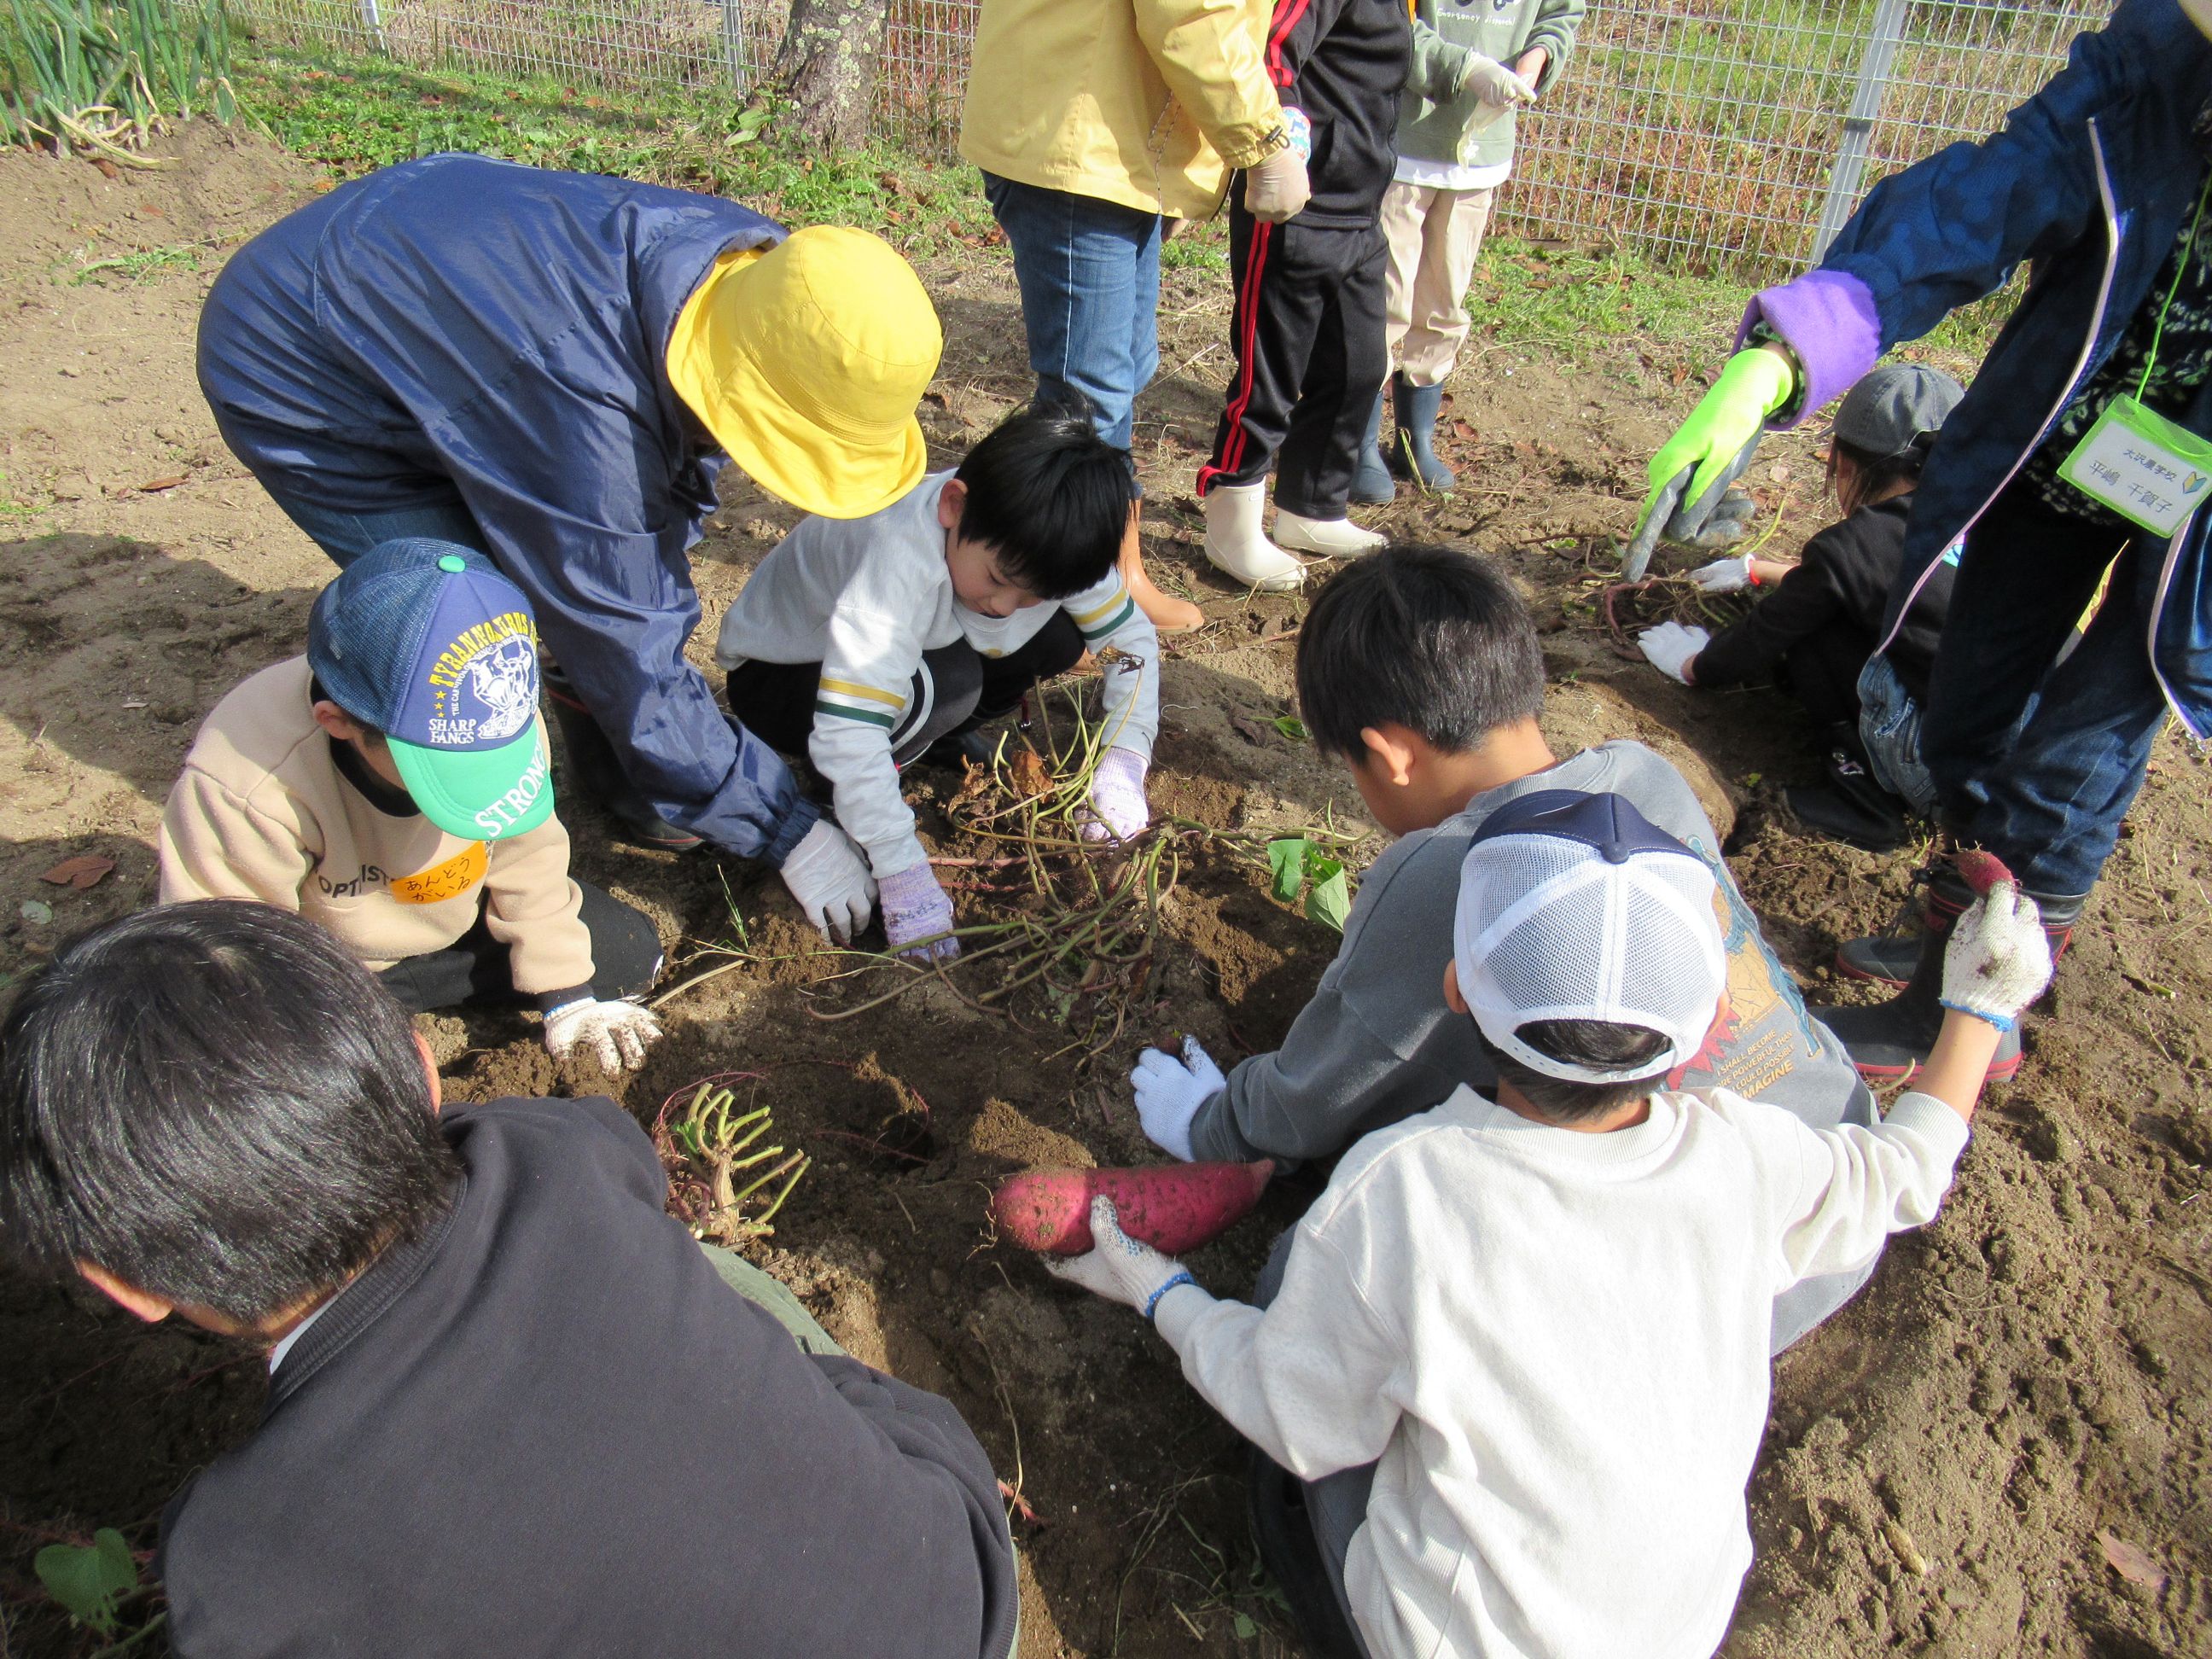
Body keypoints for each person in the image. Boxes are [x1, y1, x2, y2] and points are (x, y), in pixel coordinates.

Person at [1049, 789, 2053, 1659]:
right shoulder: (1748, 1157)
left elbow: (1301, 1422)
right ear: (1703, 1032)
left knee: (1293, 1468)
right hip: (1679, 1629)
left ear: (1453, 990)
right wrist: (1977, 1007)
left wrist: (1166, 1294)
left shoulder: (1399, 1189)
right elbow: (1906, 1172)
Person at [0, 901, 1021, 1659]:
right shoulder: (551, 1155)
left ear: (122, 1284)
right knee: (705, 1276)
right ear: (422, 1067)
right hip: (960, 1597)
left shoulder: (241, 1563)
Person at [1622, 0, 2212, 1082]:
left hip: (2201, 528)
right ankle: (1967, 924)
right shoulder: (2160, 62)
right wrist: (1799, 344)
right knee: (1969, 717)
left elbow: (1800, 607)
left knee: (2079, 748)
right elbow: (1983, 198)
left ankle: (1958, 1025)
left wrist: (1707, 660)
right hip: (2063, 438)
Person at [1131, 544, 1883, 1350]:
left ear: (1387, 754)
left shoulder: (1441, 872)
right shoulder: (1645, 776)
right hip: (1836, 1179)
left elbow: (1332, 1081)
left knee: (1302, 1275)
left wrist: (1217, 1127)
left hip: (1682, 1307)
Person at [197, 152, 938, 946]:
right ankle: (428, 853)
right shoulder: (588, 424)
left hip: (422, 269)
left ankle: (615, 735)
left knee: (587, 605)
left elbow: (657, 502)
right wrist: (787, 829)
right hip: (298, 357)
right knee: (463, 623)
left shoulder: (754, 276)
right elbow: (620, 610)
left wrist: (625, 621)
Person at [160, 538, 664, 1074]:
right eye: (441, 766)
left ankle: (395, 1000)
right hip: (329, 961)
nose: (476, 771)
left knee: (626, 954)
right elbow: (232, 951)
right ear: (339, 723)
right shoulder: (248, 783)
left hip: (455, 921)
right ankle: (369, 1009)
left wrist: (567, 995)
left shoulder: (493, 713)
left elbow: (528, 852)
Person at [718, 408, 1161, 960]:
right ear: (954, 506)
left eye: (1030, 594)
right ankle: (847, 796)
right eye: (999, 581)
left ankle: (929, 736)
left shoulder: (1050, 540)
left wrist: (1123, 757)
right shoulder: (900, 562)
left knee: (1061, 639)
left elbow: (1127, 647)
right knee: (953, 684)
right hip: (781, 679)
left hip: (891, 652)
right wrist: (900, 866)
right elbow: (849, 730)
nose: (1005, 605)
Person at [961, 0, 1313, 633]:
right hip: (1080, 135)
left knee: (1121, 369)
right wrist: (1261, 141)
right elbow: (1193, 13)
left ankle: (1103, 569)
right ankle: (1085, 588)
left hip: (1106, 134)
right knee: (1087, 394)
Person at [1635, 363, 1965, 853]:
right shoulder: (1982, 517)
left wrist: (1693, 665)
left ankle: (1862, 798)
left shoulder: (1857, 545)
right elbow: (1902, 592)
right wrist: (1763, 569)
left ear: (1847, 464)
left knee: (1821, 630)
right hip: (2018, 780)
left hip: (1943, 782)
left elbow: (1766, 634)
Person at [1194, 0, 1412, 590]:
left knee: (1359, 365)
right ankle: (1230, 520)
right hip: (1296, 207)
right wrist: (1282, 148)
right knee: (1270, 376)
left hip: (1361, 212)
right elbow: (1270, 50)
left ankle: (1312, 506)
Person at [1351, 0, 1581, 502]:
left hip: (1479, 155)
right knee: (1384, 300)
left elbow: (1561, 13)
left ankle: (1414, 441)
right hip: (1405, 147)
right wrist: (1466, 68)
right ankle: (1357, 442)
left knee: (1445, 301)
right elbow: (1389, 22)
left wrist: (1535, 59)